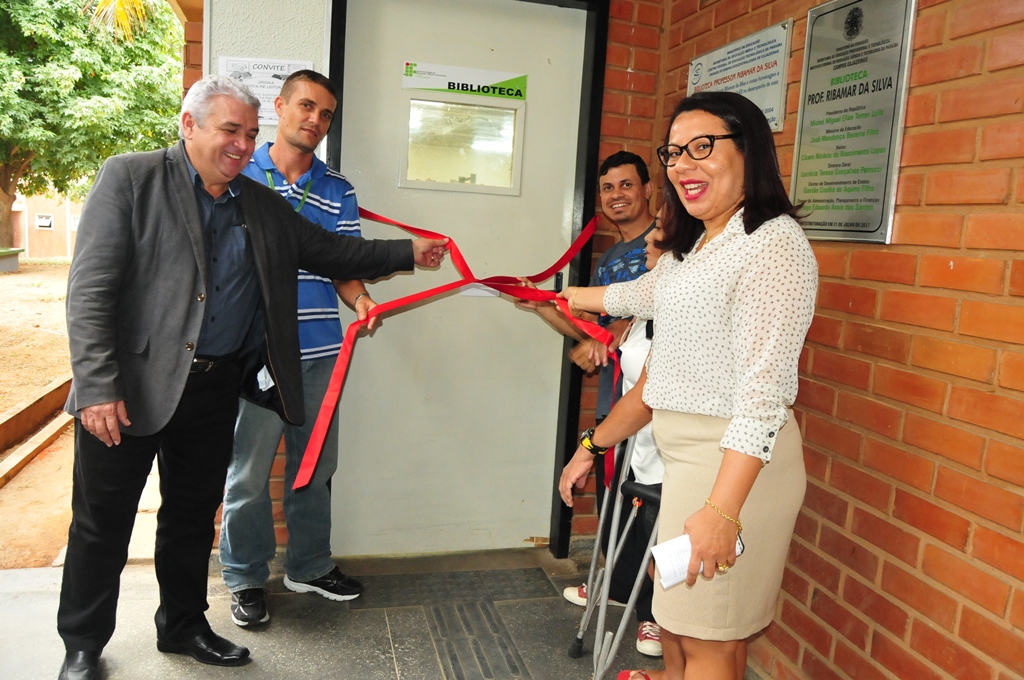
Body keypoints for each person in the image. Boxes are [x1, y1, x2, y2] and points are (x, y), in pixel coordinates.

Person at [57, 74, 447, 680]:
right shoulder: (130, 177)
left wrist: (405, 252)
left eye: (249, 133)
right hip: (128, 387)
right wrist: (99, 386)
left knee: (190, 518)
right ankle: (82, 643)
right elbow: (90, 291)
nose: (241, 145)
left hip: (212, 390)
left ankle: (183, 624)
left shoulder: (259, 204)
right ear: (189, 126)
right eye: (229, 130)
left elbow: (330, 252)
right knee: (101, 524)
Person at [559, 91, 818, 680]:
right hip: (688, 467)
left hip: (731, 471)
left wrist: (723, 512)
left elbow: (766, 393)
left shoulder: (773, 244)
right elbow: (641, 299)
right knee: (677, 629)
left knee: (709, 642)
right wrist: (554, 295)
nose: (682, 165)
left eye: (703, 147)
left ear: (748, 149)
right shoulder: (701, 243)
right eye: (674, 153)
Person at [218, 70, 372, 628]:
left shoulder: (339, 189)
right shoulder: (239, 173)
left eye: (326, 113)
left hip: (322, 354)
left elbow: (346, 265)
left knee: (314, 466)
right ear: (280, 107)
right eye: (306, 106)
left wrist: (359, 302)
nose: (315, 119)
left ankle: (308, 564)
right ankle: (244, 576)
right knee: (249, 472)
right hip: (256, 355)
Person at [515, 152, 662, 655]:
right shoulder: (606, 261)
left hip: (654, 407)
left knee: (652, 513)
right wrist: (543, 306)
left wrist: (605, 338)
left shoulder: (665, 247)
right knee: (615, 505)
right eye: (607, 189)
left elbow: (632, 318)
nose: (617, 195)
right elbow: (592, 335)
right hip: (614, 403)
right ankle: (617, 587)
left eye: (626, 185)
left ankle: (653, 617)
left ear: (648, 190)